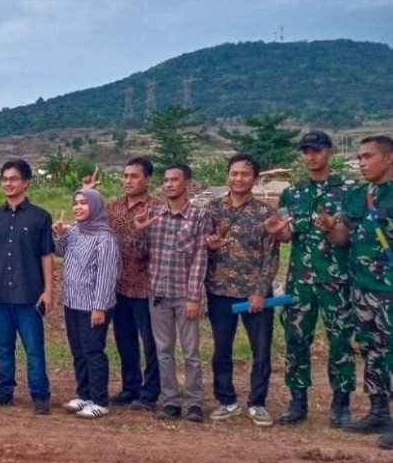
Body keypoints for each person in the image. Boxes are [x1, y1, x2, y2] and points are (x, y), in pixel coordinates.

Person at [265, 130, 356, 426]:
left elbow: (346, 238)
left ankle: (341, 404)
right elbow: (289, 235)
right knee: (296, 340)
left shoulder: (348, 191)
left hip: (336, 280)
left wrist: (331, 227)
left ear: (329, 151)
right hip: (300, 280)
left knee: (340, 340)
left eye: (316, 150)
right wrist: (279, 232)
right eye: (305, 151)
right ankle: (297, 401)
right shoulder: (293, 192)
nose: (310, 156)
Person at [0, 159, 54, 413]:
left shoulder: (40, 217)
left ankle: (40, 394)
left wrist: (49, 290)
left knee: (34, 349)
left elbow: (46, 255)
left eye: (13, 179)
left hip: (29, 296)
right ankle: (5, 390)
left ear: (26, 183)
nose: (8, 183)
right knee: (3, 347)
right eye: (4, 179)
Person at [324, 135, 393, 448]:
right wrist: (329, 227)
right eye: (360, 157)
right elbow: (342, 238)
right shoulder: (356, 196)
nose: (362, 162)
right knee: (372, 349)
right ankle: (379, 411)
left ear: (388, 158)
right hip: (363, 288)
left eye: (368, 156)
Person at [204, 154, 280, 427]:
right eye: (234, 173)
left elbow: (270, 257)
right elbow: (202, 250)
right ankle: (227, 400)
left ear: (255, 179)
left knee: (260, 351)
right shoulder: (212, 209)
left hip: (254, 295)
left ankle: (258, 403)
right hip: (219, 291)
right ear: (227, 175)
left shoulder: (265, 212)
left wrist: (260, 292)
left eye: (245, 174)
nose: (238, 179)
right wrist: (210, 246)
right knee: (221, 349)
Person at [133, 163, 212, 423]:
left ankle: (194, 402)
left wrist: (193, 297)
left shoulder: (198, 217)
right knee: (163, 351)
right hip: (158, 294)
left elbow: (200, 258)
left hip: (183, 295)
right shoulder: (154, 213)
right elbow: (142, 254)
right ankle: (170, 401)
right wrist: (141, 231)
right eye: (165, 180)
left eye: (174, 180)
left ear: (186, 183)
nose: (168, 184)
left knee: (190, 352)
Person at [100, 158, 161, 411]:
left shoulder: (157, 208)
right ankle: (130, 386)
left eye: (134, 176)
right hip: (118, 284)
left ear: (147, 179)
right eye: (125, 176)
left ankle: (151, 391)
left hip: (146, 285)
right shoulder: (112, 207)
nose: (128, 180)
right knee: (125, 339)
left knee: (151, 342)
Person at [54, 188, 120, 418]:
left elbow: (106, 275)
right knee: (78, 351)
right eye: (75, 203)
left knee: (93, 351)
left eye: (84, 203)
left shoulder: (105, 238)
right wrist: (59, 233)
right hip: (72, 302)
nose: (78, 207)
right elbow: (58, 250)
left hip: (93, 306)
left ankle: (100, 401)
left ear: (96, 206)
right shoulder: (75, 232)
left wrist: (99, 307)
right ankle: (84, 395)